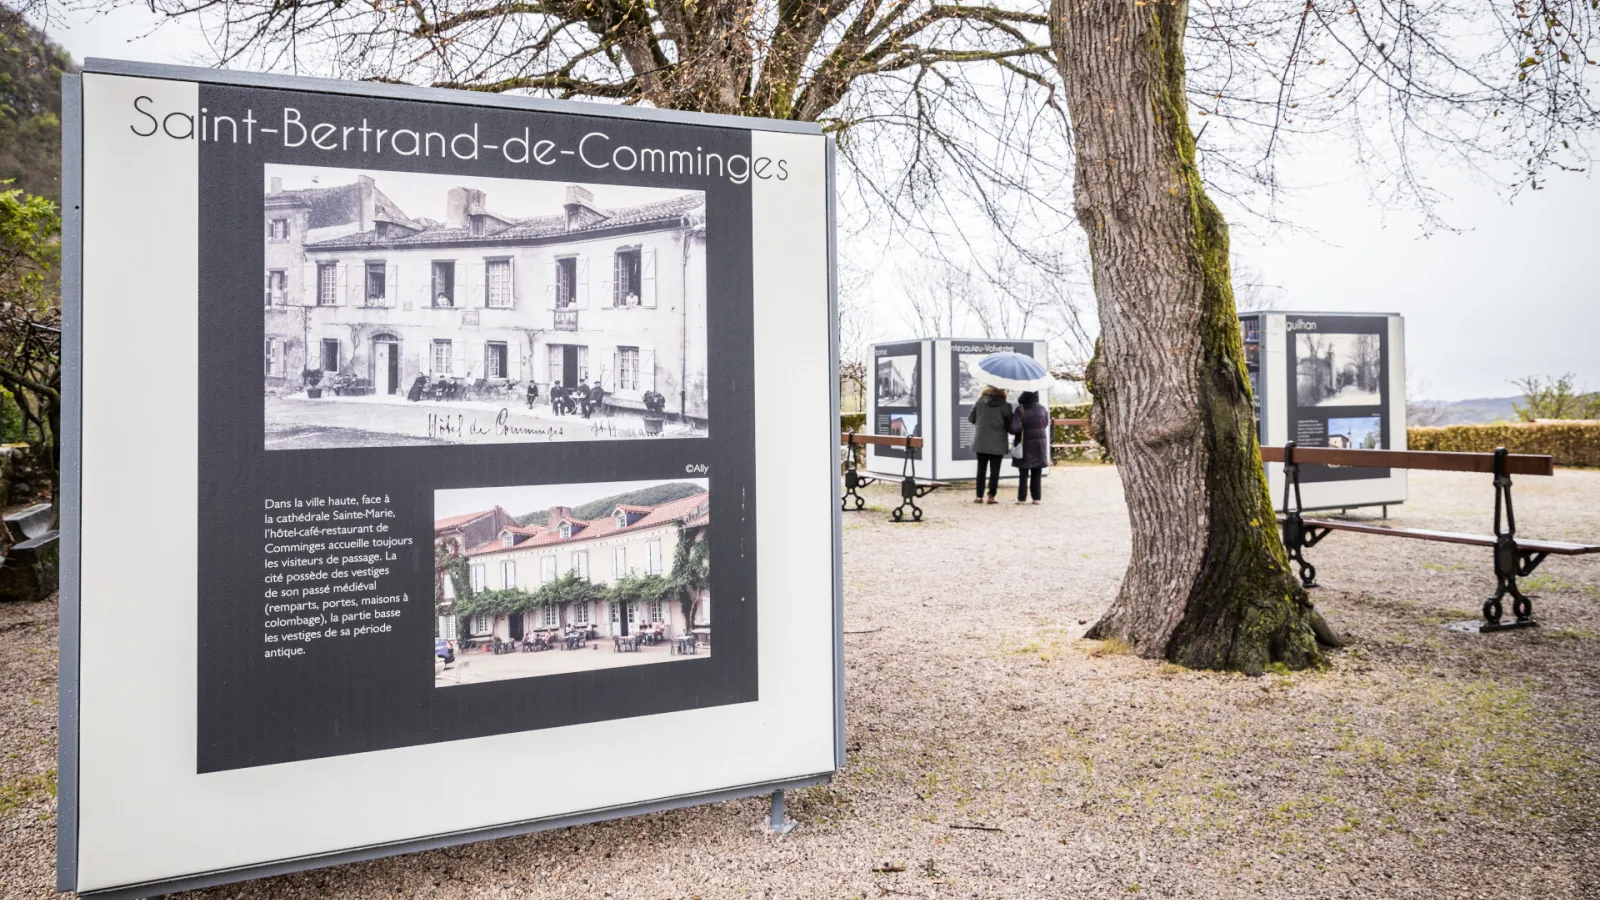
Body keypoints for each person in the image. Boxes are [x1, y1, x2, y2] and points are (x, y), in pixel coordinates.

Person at [967, 385, 1012, 504]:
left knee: (981, 469)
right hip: (998, 442)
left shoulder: (980, 402)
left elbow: (971, 419)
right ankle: (991, 496)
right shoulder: (1006, 406)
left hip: (981, 441)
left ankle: (979, 496)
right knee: (995, 470)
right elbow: (1009, 426)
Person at [1009, 390, 1051, 504]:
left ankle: (1022, 498)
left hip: (1025, 444)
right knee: (1037, 471)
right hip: (1040, 444)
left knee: (1023, 472)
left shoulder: (1020, 409)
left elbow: (1015, 429)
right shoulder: (1043, 409)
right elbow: (1045, 423)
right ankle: (1036, 498)